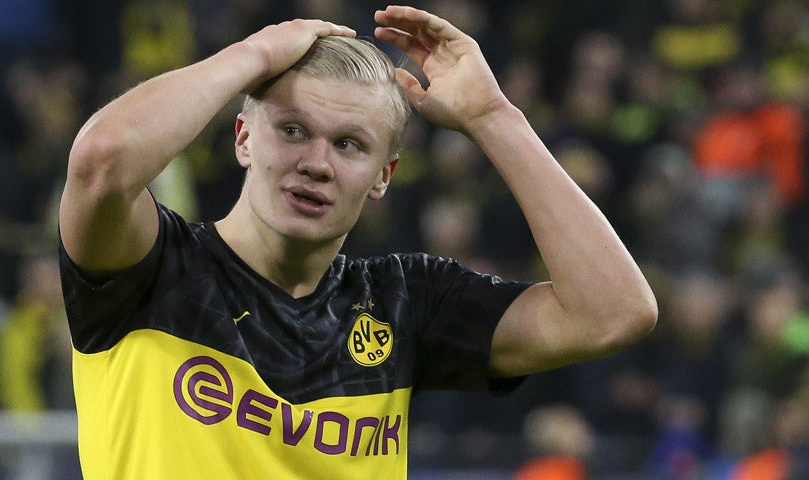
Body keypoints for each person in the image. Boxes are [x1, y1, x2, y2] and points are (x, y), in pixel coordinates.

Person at [58, 5, 657, 479]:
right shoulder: (152, 268)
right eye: (293, 130)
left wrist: (493, 117)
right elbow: (102, 162)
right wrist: (253, 54)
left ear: (383, 177)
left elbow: (613, 312)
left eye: (349, 145)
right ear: (243, 139)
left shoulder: (405, 303)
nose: (317, 164)